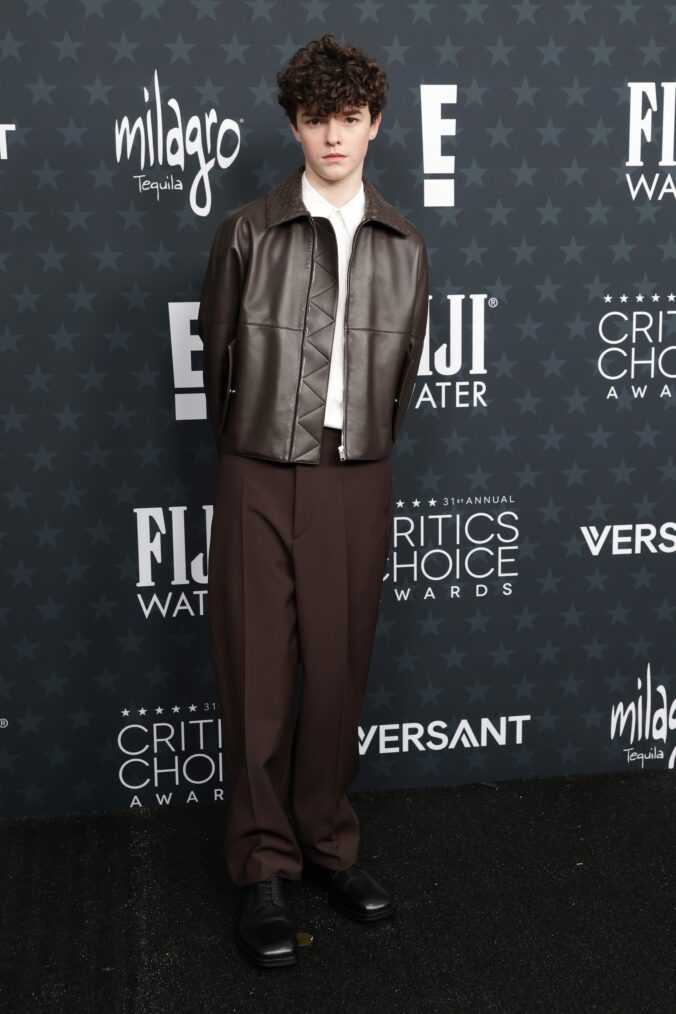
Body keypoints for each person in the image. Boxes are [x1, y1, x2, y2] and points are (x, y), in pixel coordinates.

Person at [198, 32, 429, 968]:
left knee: (337, 674)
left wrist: (355, 448)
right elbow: (217, 357)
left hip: (356, 477)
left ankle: (330, 849)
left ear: (374, 124)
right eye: (314, 118)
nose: (332, 135)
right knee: (257, 675)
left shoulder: (406, 245)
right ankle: (262, 867)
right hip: (256, 466)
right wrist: (256, 447)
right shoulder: (249, 232)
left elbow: (403, 372)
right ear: (292, 125)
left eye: (348, 117)